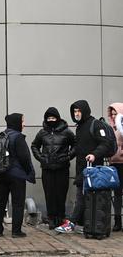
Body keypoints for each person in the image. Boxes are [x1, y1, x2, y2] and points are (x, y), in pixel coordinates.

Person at [56, 100, 112, 233]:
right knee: (84, 197)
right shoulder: (79, 127)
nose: (76, 114)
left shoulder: (95, 124)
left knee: (82, 197)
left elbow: (106, 143)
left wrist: (94, 154)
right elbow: (79, 147)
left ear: (85, 110)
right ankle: (83, 224)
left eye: (79, 111)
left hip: (93, 170)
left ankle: (72, 223)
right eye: (74, 111)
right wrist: (67, 156)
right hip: (82, 168)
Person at [0, 113, 36, 238]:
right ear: (17, 123)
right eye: (22, 121)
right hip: (16, 175)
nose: (24, 124)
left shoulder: (1, 135)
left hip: (0, 173)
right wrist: (28, 172)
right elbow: (24, 158)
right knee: (18, 203)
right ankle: (16, 231)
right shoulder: (18, 137)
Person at [30, 107, 75, 230]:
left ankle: (60, 218)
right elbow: (34, 145)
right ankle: (51, 218)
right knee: (49, 194)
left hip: (62, 168)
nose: (51, 120)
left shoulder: (66, 132)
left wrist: (68, 156)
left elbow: (76, 145)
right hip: (47, 168)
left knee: (61, 194)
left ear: (58, 118)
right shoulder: (42, 132)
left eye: (53, 118)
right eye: (49, 118)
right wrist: (41, 158)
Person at [107, 103, 123, 231]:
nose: (113, 116)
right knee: (116, 194)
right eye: (111, 114)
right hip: (114, 163)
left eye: (115, 113)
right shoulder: (109, 128)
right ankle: (117, 221)